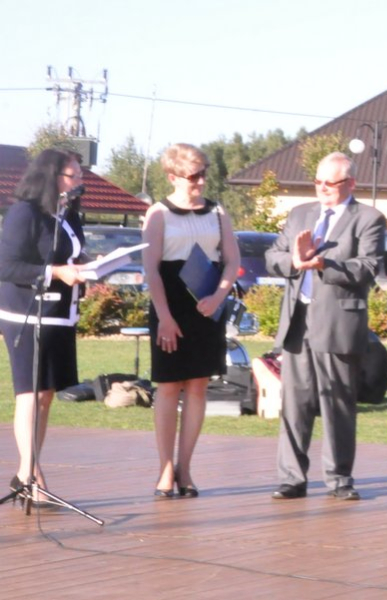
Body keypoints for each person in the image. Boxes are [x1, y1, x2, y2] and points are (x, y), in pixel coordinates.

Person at [264, 152, 385, 501]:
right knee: (295, 404)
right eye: (317, 182)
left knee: (338, 405)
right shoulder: (300, 214)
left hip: (338, 322)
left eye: (330, 183)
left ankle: (339, 479)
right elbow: (272, 256)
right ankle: (291, 478)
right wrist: (294, 260)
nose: (322, 189)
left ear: (350, 183)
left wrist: (323, 264)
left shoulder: (369, 218)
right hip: (298, 321)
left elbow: (368, 266)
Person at [142, 143, 240, 499]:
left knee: (198, 386)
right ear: (173, 177)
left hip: (206, 305)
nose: (200, 182)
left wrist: (219, 296)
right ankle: (165, 468)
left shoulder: (217, 212)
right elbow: (151, 269)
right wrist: (164, 317)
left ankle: (185, 468)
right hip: (169, 305)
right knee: (169, 386)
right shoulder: (158, 213)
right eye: (192, 176)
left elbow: (232, 260)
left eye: (203, 174)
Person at [0, 148, 86, 507]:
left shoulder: (67, 214)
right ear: (52, 176)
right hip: (25, 315)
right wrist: (55, 272)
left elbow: (71, 255)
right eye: (73, 175)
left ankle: (26, 474)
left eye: (80, 175)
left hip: (59, 315)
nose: (79, 182)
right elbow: (6, 266)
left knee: (46, 395)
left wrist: (88, 267)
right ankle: (32, 476)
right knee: (30, 394)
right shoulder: (25, 212)